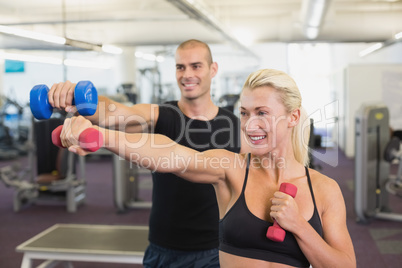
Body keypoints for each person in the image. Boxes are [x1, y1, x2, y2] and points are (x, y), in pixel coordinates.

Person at [59, 68, 356, 268]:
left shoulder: (324, 190)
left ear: (292, 118)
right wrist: (100, 136)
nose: (250, 124)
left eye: (262, 113)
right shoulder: (231, 168)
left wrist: (300, 227)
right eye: (244, 113)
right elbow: (172, 155)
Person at [48, 39, 242, 267]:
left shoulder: (234, 125)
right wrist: (78, 100)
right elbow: (115, 113)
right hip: (163, 248)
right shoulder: (161, 115)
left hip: (215, 250)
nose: (187, 74)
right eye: (181, 67)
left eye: (196, 66)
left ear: (213, 69)